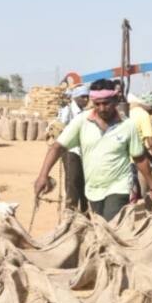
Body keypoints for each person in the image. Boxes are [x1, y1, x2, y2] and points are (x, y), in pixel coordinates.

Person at [34, 79, 152, 221]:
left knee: (109, 224)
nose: (102, 108)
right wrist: (43, 175)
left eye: (106, 103)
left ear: (115, 100)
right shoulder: (82, 121)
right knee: (99, 226)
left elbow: (139, 158)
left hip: (120, 186)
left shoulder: (127, 125)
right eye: (97, 104)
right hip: (93, 189)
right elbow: (57, 147)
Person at [57, 84, 89, 212]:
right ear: (75, 97)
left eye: (87, 97)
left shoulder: (85, 112)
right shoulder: (67, 111)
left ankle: (85, 211)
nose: (86, 99)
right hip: (71, 151)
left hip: (84, 151)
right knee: (72, 181)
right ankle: (71, 211)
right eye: (83, 97)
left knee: (84, 181)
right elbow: (59, 129)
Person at [128, 92, 152, 198]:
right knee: (140, 194)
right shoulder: (143, 115)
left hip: (125, 161)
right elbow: (150, 142)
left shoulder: (130, 112)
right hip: (136, 162)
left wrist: (150, 158)